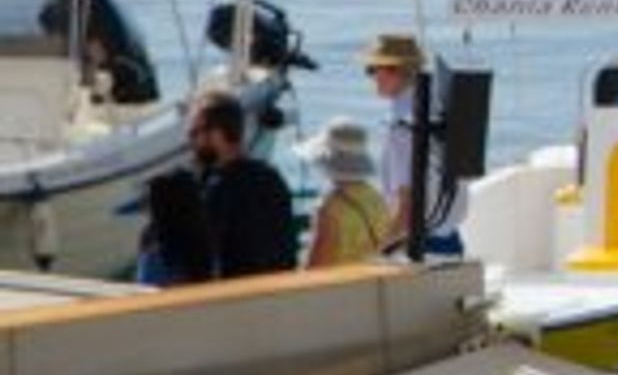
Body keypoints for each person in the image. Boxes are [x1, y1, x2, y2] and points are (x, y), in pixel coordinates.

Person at [181, 88, 297, 278]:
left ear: (217, 135)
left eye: (194, 133)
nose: (192, 142)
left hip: (238, 295)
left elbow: (197, 259)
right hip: (278, 290)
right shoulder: (272, 176)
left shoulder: (219, 189)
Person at [360, 28, 438, 250]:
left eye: (373, 69)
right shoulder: (434, 107)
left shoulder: (402, 125)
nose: (372, 76)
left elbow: (408, 207)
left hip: (417, 245)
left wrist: (378, 251)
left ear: (395, 71)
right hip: (447, 237)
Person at [302, 118, 389, 266]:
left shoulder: (329, 206)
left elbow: (316, 266)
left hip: (339, 286)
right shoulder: (376, 197)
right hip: (366, 283)